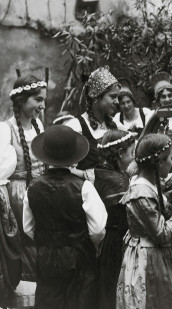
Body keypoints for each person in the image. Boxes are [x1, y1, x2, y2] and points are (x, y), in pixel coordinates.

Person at [23, 125, 107, 309]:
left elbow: (28, 227)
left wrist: (47, 240)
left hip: (46, 255)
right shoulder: (84, 187)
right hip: (79, 254)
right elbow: (98, 229)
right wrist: (89, 245)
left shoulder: (33, 187)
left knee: (49, 300)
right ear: (73, 158)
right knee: (79, 300)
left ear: (45, 156)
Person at [116, 133, 172, 309]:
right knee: (152, 301)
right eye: (170, 158)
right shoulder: (140, 192)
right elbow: (162, 234)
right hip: (147, 259)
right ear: (159, 162)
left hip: (156, 255)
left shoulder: (152, 181)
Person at [0, 74, 47, 307]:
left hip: (40, 191)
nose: (42, 105)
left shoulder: (39, 126)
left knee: (41, 244)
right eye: (38, 100)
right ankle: (23, 298)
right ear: (20, 101)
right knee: (25, 245)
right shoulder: (6, 130)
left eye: (44, 100)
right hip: (19, 194)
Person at [94, 130, 137, 309]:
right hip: (117, 241)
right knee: (115, 289)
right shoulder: (117, 180)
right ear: (120, 153)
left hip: (112, 240)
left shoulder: (103, 172)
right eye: (132, 153)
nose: (134, 157)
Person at [66, 66, 125, 178]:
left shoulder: (117, 126)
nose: (117, 102)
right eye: (112, 97)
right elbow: (65, 169)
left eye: (117, 97)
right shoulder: (75, 127)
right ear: (96, 97)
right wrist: (90, 176)